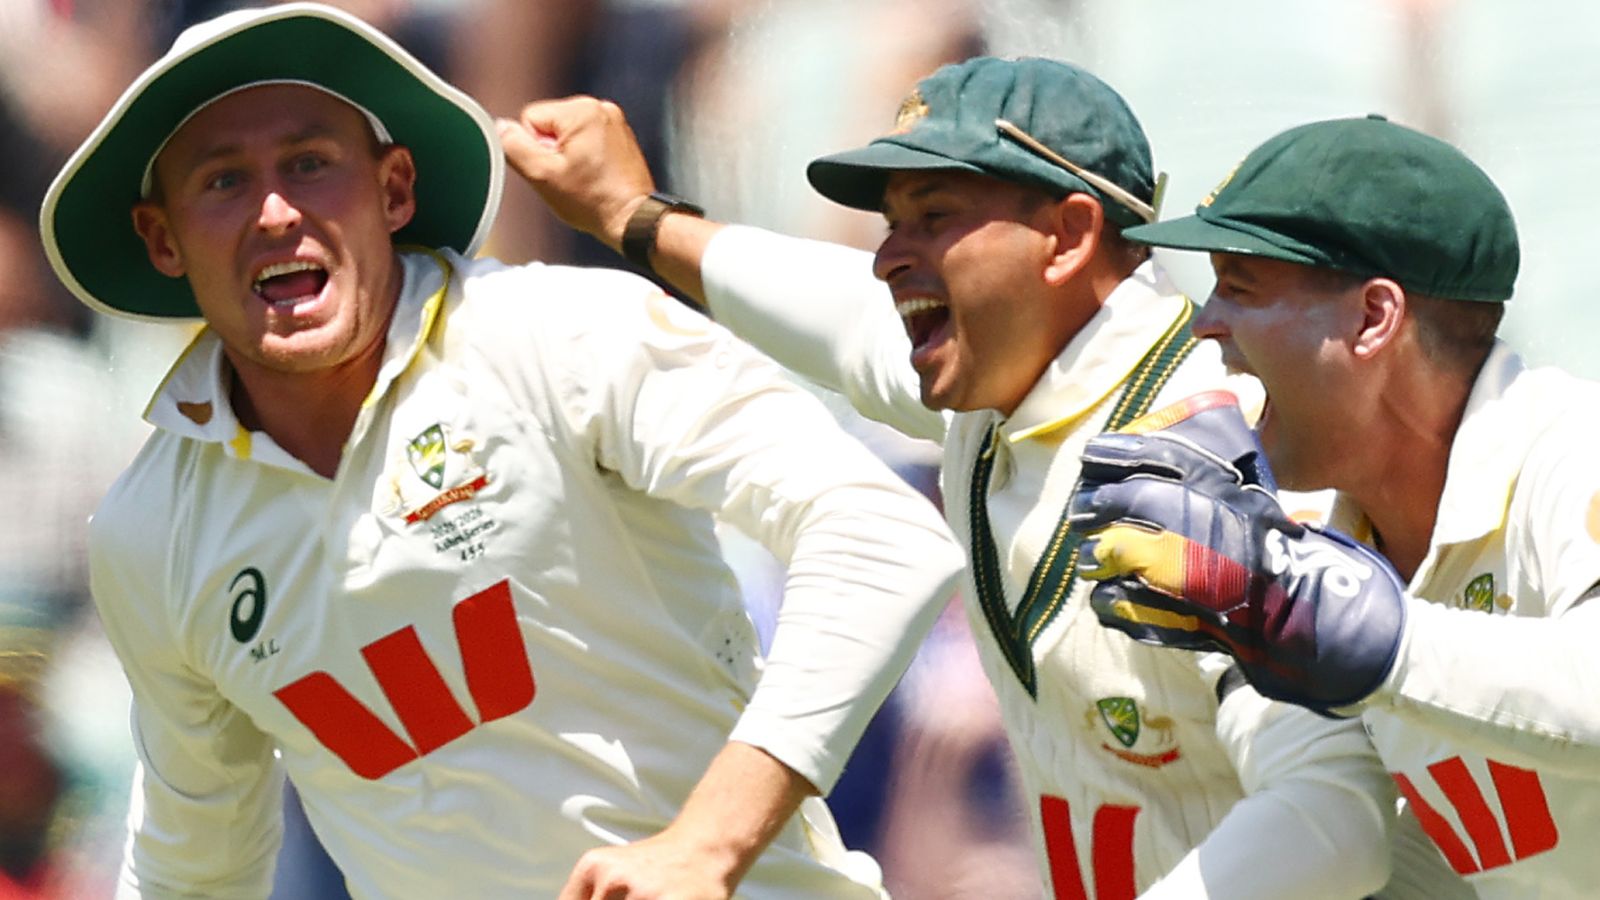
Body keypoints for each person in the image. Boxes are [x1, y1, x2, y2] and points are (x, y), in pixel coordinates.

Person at [37, 4, 964, 898]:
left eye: (311, 162)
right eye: (223, 180)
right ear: (161, 238)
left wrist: (703, 847)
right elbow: (195, 867)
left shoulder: (557, 336)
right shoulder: (152, 528)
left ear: (394, 189)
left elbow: (883, 534)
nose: (276, 210)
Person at [500, 58, 1459, 898]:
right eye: (890, 221)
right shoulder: (1005, 378)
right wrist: (636, 217)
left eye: (936, 216)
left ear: (1070, 237)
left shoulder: (1202, 463)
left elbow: (1336, 812)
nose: (886, 258)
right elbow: (836, 314)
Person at [1066, 114, 1600, 897]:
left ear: (1374, 318)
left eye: (1239, 287)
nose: (1206, 321)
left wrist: (1353, 629)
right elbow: (1381, 840)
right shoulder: (1328, 535)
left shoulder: (1571, 449)